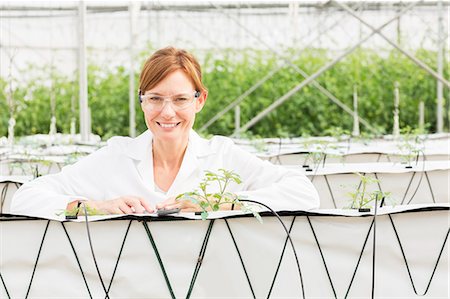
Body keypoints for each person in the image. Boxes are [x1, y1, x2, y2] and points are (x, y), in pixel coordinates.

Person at [11, 47, 319, 220]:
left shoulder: (222, 156)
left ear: (200, 100)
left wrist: (220, 202)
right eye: (155, 98)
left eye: (181, 99)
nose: (167, 112)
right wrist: (95, 206)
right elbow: (24, 198)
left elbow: (304, 192)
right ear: (141, 101)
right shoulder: (116, 158)